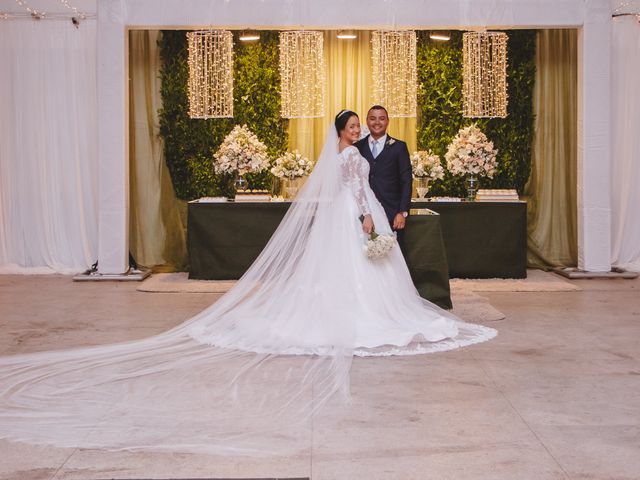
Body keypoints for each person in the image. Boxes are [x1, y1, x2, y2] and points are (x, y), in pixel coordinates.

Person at [0, 110, 496, 456]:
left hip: (361, 216)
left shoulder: (352, 153)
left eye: (356, 125)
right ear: (346, 132)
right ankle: (364, 312)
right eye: (350, 126)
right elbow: (359, 191)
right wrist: (368, 221)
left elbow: (365, 186)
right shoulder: (350, 155)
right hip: (360, 217)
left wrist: (375, 215)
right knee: (361, 272)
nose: (355, 130)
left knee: (349, 273)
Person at [354, 105, 412, 251]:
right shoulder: (357, 147)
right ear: (367, 121)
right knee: (363, 252)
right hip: (363, 210)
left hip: (392, 212)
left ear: (387, 121)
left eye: (381, 118)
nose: (377, 122)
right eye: (372, 118)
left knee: (393, 254)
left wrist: (402, 212)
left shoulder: (399, 147)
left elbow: (406, 181)